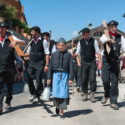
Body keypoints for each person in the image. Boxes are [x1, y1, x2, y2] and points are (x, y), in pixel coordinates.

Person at [0, 22, 26, 114]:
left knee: (9, 86)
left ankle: (8, 101)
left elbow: (23, 43)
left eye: (2, 28)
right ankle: (0, 106)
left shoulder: (11, 38)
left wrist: (16, 42)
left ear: (6, 29)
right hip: (0, 67)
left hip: (10, 67)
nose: (0, 30)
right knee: (0, 86)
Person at [100, 20, 125, 110]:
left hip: (116, 61)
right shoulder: (105, 35)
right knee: (105, 80)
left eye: (115, 27)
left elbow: (124, 47)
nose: (114, 28)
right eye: (112, 27)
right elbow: (102, 40)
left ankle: (113, 102)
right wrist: (108, 40)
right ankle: (106, 94)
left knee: (114, 82)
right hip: (106, 61)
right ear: (109, 27)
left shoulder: (120, 37)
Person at [73, 28, 102, 103]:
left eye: (84, 33)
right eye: (82, 33)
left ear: (88, 33)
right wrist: (72, 55)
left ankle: (92, 94)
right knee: (84, 79)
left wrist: (100, 63)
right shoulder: (80, 42)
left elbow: (98, 52)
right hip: (84, 63)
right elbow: (77, 53)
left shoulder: (94, 41)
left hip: (92, 62)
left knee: (92, 79)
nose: (83, 34)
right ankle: (85, 93)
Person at [47, 38, 74, 119]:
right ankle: (57, 106)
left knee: (63, 92)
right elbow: (50, 67)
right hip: (55, 75)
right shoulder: (54, 55)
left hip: (65, 75)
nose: (61, 47)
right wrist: (49, 77)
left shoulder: (68, 55)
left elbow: (71, 67)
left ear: (65, 46)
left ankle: (62, 109)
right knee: (56, 92)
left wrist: (71, 78)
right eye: (59, 45)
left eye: (62, 45)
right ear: (57, 46)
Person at [24, 26, 50, 104]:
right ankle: (32, 93)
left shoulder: (44, 41)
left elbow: (47, 53)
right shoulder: (31, 41)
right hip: (32, 62)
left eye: (32, 31)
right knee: (28, 77)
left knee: (38, 80)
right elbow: (28, 52)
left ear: (37, 32)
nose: (31, 33)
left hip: (40, 63)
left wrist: (46, 65)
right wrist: (25, 56)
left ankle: (37, 95)